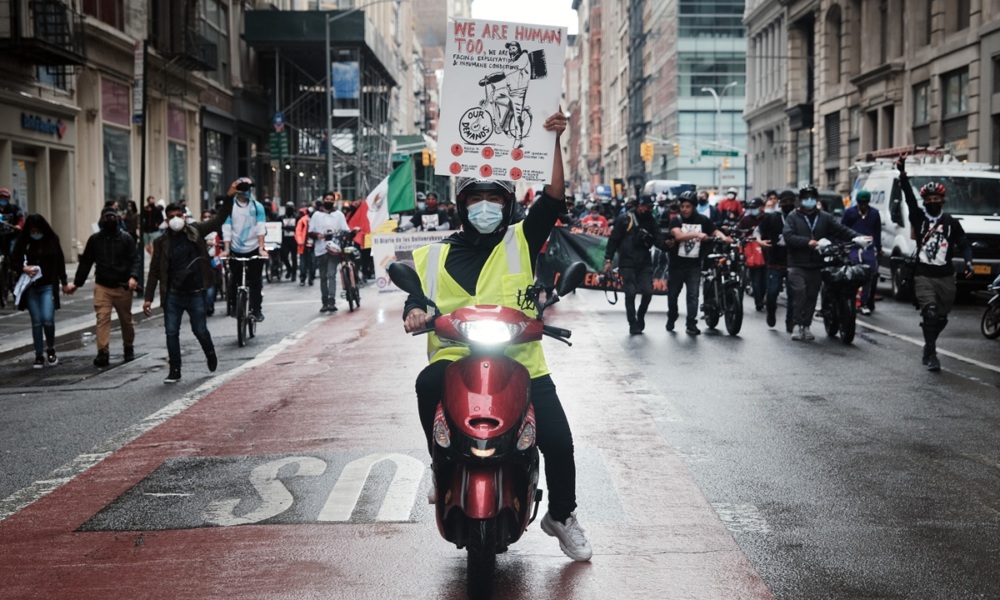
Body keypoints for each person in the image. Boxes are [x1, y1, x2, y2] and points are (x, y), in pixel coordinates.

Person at [402, 111, 591, 562]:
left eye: (494, 198)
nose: (484, 205)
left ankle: (562, 515)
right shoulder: (434, 253)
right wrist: (413, 310)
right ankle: (440, 466)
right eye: (476, 197)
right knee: (426, 384)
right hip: (455, 362)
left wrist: (555, 140)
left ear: (506, 206)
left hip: (523, 362)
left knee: (560, 441)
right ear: (462, 203)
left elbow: (554, 197)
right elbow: (414, 291)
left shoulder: (521, 239)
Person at [142, 185, 235, 383]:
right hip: (173, 294)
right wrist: (148, 298)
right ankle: (175, 369)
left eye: (179, 215)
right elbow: (155, 271)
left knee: (200, 329)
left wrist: (228, 197)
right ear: (166, 220)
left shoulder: (196, 231)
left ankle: (210, 353)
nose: (176, 219)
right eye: (172, 216)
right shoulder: (161, 243)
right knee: (171, 332)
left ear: (184, 217)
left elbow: (219, 219)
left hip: (194, 292)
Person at [896, 155, 974, 372]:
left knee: (941, 318)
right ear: (924, 202)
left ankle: (929, 344)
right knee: (929, 313)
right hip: (923, 275)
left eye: (936, 198)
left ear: (942, 200)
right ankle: (931, 353)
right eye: (928, 199)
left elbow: (964, 243)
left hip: (946, 276)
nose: (932, 202)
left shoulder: (951, 222)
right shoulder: (918, 218)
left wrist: (969, 262)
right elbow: (909, 197)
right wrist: (902, 174)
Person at [782, 185, 869, 341]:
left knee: (811, 296)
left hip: (817, 265)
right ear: (801, 200)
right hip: (797, 264)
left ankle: (806, 326)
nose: (809, 201)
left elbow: (841, 230)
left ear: (816, 200)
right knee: (800, 292)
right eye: (806, 198)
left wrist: (857, 237)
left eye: (812, 198)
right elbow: (788, 236)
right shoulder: (792, 217)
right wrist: (809, 242)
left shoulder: (825, 217)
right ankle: (797, 324)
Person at [65, 207, 142, 366]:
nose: (110, 221)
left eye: (113, 217)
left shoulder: (127, 239)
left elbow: (135, 259)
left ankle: (128, 347)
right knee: (102, 318)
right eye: (107, 218)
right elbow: (86, 262)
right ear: (102, 220)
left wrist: (133, 277)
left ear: (118, 220)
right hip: (103, 286)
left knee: (126, 320)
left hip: (122, 286)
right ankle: (103, 352)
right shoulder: (95, 240)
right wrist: (77, 284)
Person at [666, 191, 733, 335]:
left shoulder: (703, 220)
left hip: (694, 266)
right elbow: (678, 236)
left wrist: (724, 237)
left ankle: (691, 323)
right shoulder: (676, 220)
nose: (684, 209)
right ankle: (672, 316)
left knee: (693, 295)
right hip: (676, 266)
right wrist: (697, 235)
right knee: (673, 295)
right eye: (682, 206)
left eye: (687, 206)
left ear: (694, 207)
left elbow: (714, 231)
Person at [603, 194, 666, 334]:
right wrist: (608, 260)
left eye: (650, 207)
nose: (647, 209)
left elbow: (658, 239)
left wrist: (668, 244)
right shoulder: (624, 219)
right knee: (630, 293)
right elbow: (613, 240)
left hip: (644, 263)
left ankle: (641, 315)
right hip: (627, 263)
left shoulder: (651, 220)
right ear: (639, 205)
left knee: (648, 292)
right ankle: (632, 322)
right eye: (646, 206)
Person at [12, 214, 68, 368]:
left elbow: (60, 260)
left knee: (48, 319)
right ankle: (38, 354)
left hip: (48, 285)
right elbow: (14, 260)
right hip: (31, 287)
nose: (35, 234)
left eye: (38, 231)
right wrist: (23, 268)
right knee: (37, 321)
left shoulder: (52, 240)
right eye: (32, 231)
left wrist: (63, 281)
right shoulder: (23, 241)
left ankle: (50, 348)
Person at [221, 177, 268, 321]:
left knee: (256, 281)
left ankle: (257, 309)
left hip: (254, 248)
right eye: (242, 188)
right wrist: (227, 248)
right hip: (235, 249)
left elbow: (260, 228)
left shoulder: (257, 206)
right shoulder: (230, 207)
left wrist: (261, 248)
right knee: (234, 280)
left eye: (247, 188)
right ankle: (235, 306)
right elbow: (227, 228)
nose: (245, 191)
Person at [758, 190, 797, 332]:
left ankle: (791, 320)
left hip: (793, 262)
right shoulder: (773, 217)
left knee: (793, 294)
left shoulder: (798, 217)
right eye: (785, 202)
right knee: (773, 292)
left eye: (791, 202)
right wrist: (760, 242)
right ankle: (771, 312)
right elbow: (758, 230)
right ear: (780, 203)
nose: (788, 205)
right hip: (775, 261)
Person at [840, 189, 883, 315]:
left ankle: (864, 302)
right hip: (853, 247)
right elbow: (842, 228)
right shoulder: (849, 213)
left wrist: (879, 248)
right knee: (854, 272)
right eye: (861, 203)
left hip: (868, 248)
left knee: (869, 274)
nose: (863, 206)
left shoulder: (874, 213)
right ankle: (852, 299)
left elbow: (877, 231)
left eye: (865, 203)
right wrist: (842, 245)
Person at [308, 194, 351, 312]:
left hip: (334, 250)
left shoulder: (339, 215)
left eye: (331, 200)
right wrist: (318, 235)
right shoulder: (316, 215)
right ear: (323, 200)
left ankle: (332, 301)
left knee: (331, 275)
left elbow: (346, 230)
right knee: (323, 277)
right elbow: (310, 232)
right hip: (320, 250)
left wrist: (344, 235)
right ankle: (324, 302)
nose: (329, 201)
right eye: (327, 199)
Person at [737, 197, 768, 312]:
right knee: (756, 278)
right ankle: (758, 302)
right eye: (752, 208)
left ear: (762, 207)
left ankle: (763, 297)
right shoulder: (745, 220)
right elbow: (739, 231)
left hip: (766, 252)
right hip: (752, 253)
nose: (754, 210)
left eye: (756, 207)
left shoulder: (767, 219)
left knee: (764, 280)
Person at [295, 204, 314, 286]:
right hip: (303, 245)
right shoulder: (302, 220)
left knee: (312, 262)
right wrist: (300, 241)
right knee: (303, 262)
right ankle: (303, 278)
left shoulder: (315, 220)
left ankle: (311, 277)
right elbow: (298, 231)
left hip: (313, 245)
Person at [279, 202, 298, 280]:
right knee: (283, 256)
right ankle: (289, 268)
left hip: (294, 240)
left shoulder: (297, 217)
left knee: (294, 257)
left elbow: (298, 228)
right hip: (285, 240)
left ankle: (293, 274)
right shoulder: (281, 217)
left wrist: (287, 228)